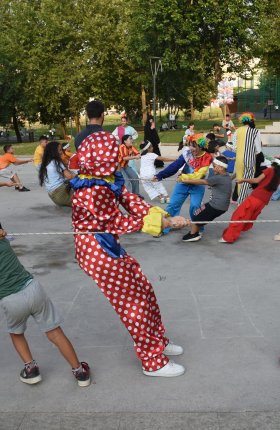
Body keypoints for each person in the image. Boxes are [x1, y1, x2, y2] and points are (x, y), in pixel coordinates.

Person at [67, 130, 189, 377]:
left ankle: (158, 341)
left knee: (144, 291)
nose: (118, 156)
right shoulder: (92, 188)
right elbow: (115, 222)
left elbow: (131, 200)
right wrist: (159, 225)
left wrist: (164, 217)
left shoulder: (104, 178)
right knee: (133, 304)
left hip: (107, 244)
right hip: (98, 251)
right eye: (114, 152)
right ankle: (152, 361)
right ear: (102, 157)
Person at [0, 212, 90, 386]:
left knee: (16, 333)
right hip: (33, 289)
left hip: (12, 301)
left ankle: (31, 369)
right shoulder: (3, 243)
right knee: (55, 333)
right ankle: (79, 372)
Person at [153, 134, 212, 234]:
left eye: (193, 146)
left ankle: (198, 229)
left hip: (197, 184)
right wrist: (160, 175)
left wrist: (183, 177)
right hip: (182, 183)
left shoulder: (207, 157)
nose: (190, 148)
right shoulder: (187, 153)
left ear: (201, 146)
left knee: (195, 206)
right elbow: (175, 166)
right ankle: (164, 227)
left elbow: (198, 175)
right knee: (173, 205)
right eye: (189, 145)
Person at [221, 159, 280, 243]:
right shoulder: (279, 177)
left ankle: (228, 237)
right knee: (245, 217)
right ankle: (229, 233)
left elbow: (256, 180)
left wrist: (243, 180)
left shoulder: (269, 170)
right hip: (262, 202)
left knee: (238, 216)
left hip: (255, 198)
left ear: (273, 164)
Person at [181, 155, 233, 242]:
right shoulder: (226, 177)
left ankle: (193, 234)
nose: (213, 169)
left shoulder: (218, 178)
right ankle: (197, 232)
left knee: (197, 215)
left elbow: (202, 181)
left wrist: (187, 181)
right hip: (222, 207)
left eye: (215, 167)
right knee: (202, 215)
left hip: (216, 205)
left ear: (221, 168)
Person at [232, 113, 263, 205]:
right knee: (247, 180)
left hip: (239, 158)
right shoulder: (255, 131)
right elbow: (258, 149)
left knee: (239, 179)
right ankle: (241, 202)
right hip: (249, 158)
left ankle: (241, 199)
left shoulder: (237, 131)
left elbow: (234, 146)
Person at [39, 142, 75, 213]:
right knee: (86, 199)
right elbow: (69, 176)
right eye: (60, 150)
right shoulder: (56, 161)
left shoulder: (46, 162)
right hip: (61, 193)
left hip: (53, 196)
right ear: (54, 152)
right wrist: (81, 174)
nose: (62, 153)